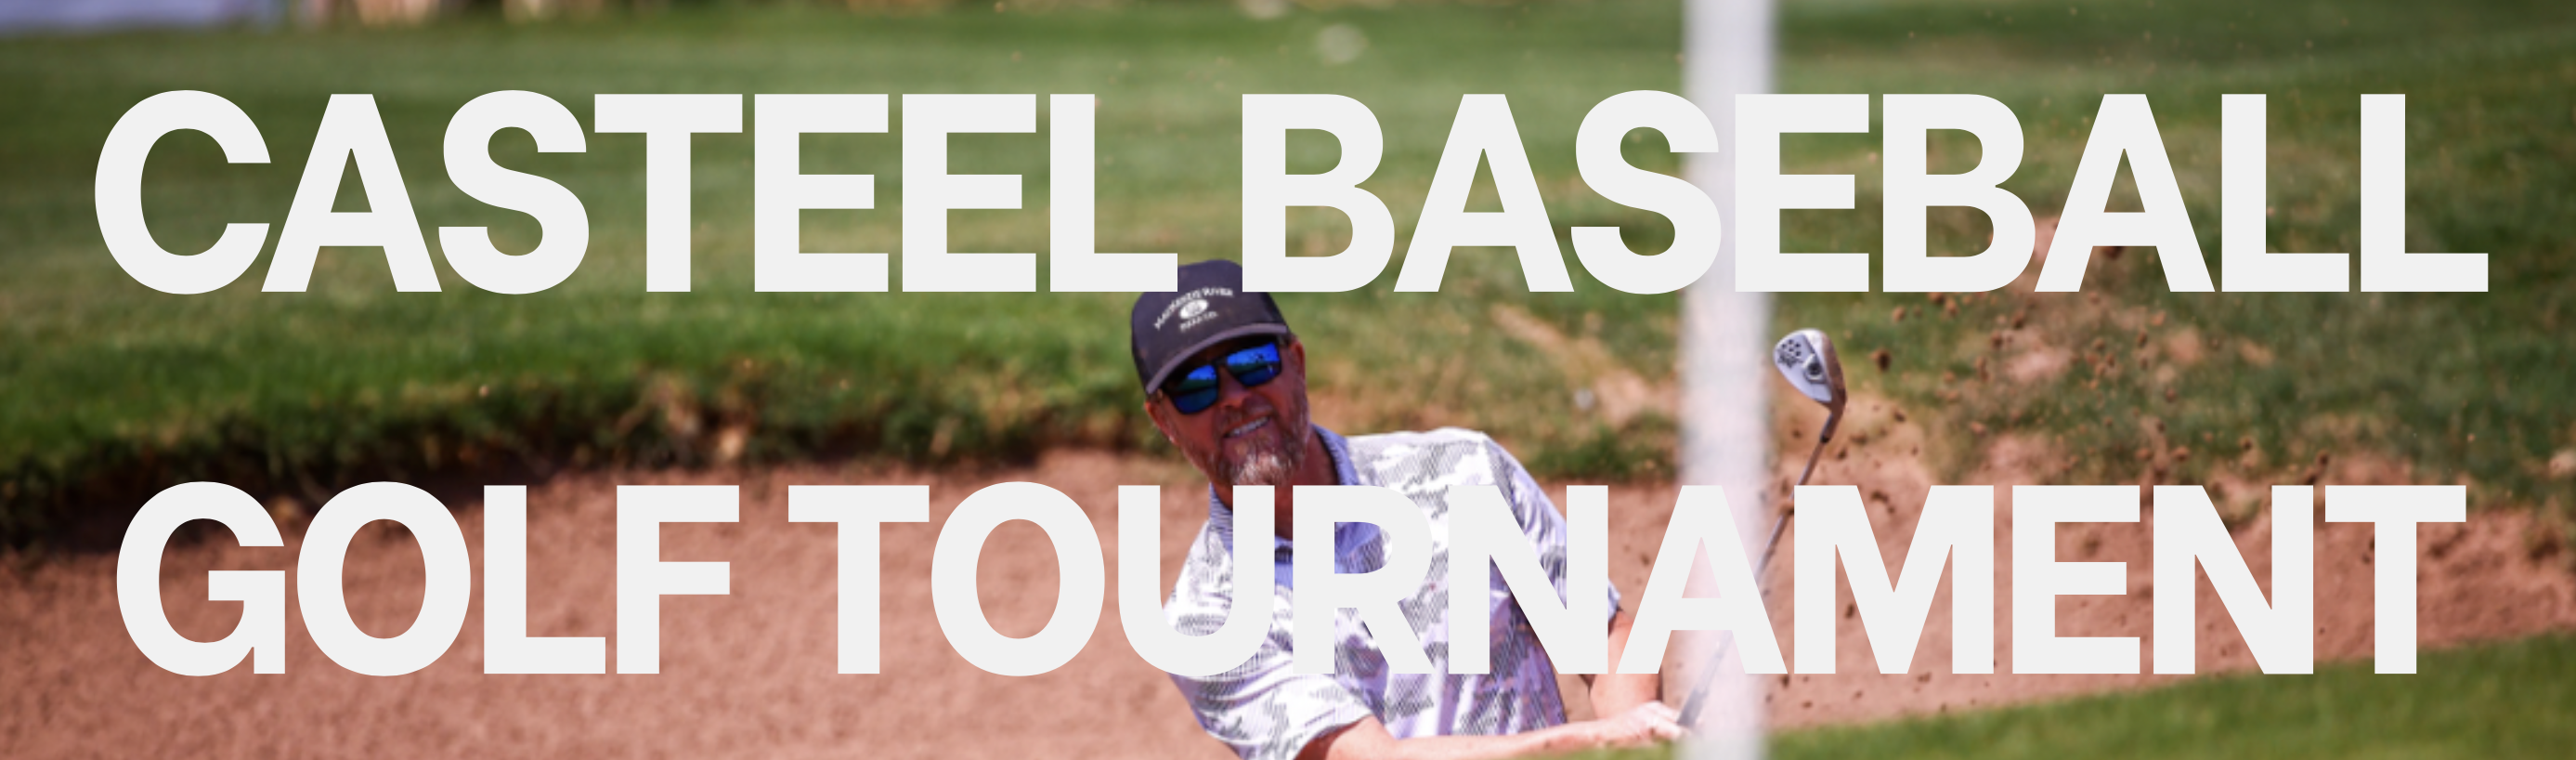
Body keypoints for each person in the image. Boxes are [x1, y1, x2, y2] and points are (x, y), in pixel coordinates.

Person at [1130, 260, 1683, 760]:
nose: (1231, 396)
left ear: (1295, 362)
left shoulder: (1466, 470)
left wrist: (1637, 737)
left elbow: (1603, 636)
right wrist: (1593, 743)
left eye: (1252, 363)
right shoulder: (1204, 624)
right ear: (1163, 421)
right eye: (1194, 388)